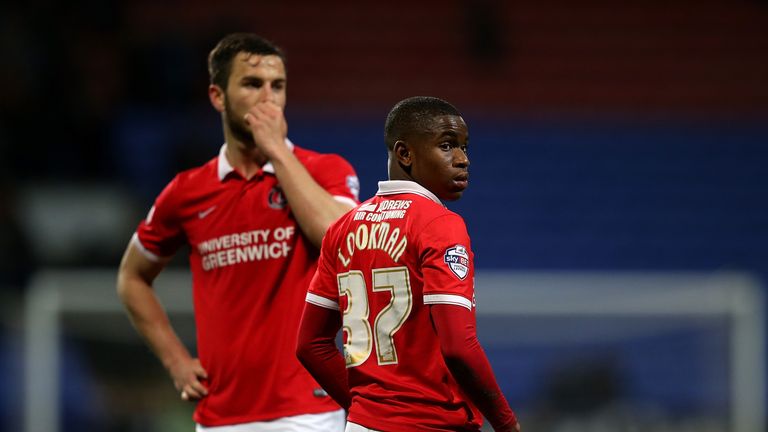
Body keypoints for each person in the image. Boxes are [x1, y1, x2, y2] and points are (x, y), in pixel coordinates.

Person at [117, 33, 359, 431]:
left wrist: (278, 152)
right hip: (219, 418)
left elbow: (341, 239)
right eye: (252, 84)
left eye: (277, 86)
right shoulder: (186, 192)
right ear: (218, 96)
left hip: (308, 413)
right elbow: (131, 278)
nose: (268, 98)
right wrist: (175, 360)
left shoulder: (325, 170)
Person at [296, 96, 520, 432]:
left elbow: (311, 345)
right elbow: (459, 346)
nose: (463, 160)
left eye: (464, 147)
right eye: (447, 146)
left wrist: (367, 409)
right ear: (405, 154)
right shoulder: (439, 224)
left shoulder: (343, 227)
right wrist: (505, 421)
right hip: (431, 423)